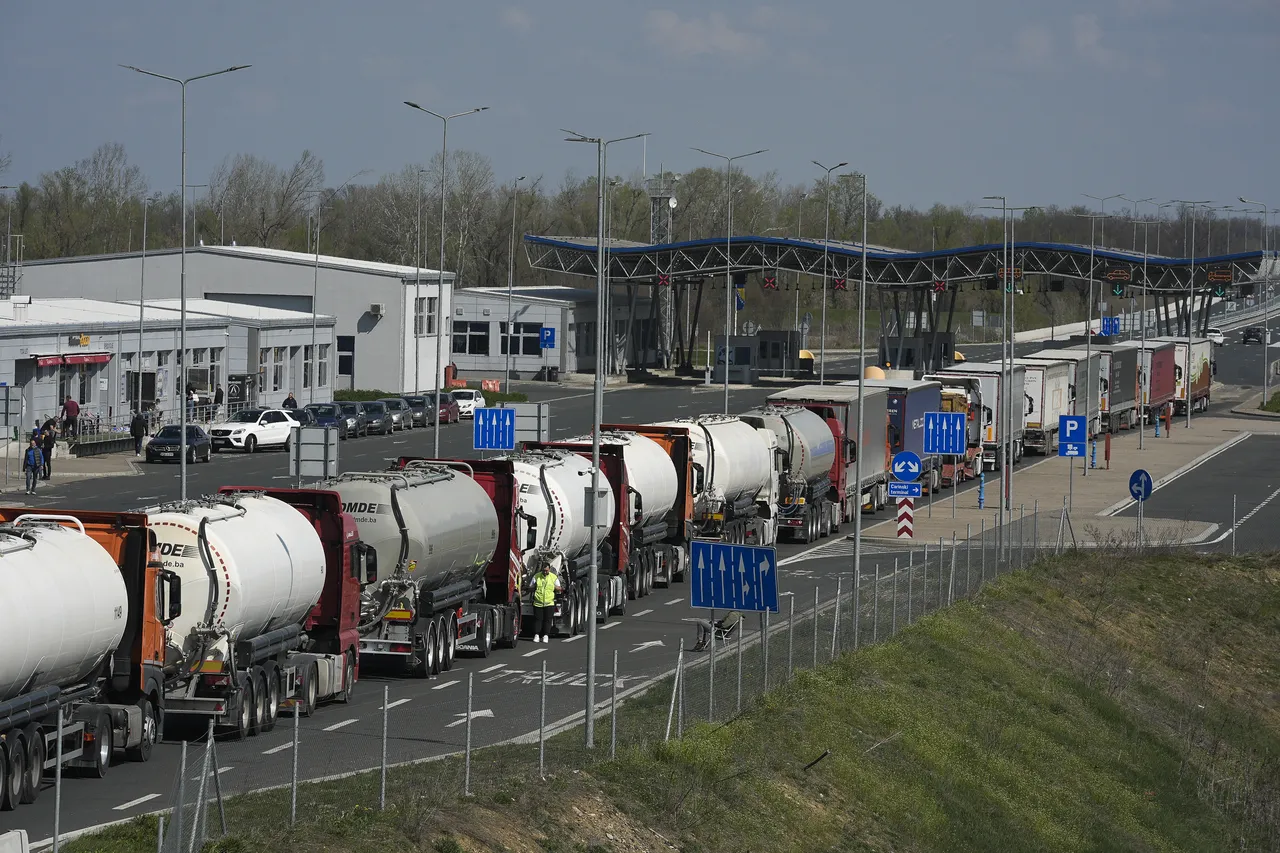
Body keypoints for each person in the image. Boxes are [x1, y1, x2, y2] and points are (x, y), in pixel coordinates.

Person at [528, 563, 562, 643]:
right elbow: (530, 587)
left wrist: (554, 587)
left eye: (546, 570)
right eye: (543, 571)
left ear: (549, 569)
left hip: (549, 603)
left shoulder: (553, 577)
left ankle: (546, 635)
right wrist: (534, 587)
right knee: (538, 620)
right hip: (538, 602)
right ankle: (536, 635)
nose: (545, 572)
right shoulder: (536, 576)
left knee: (547, 620)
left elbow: (559, 588)